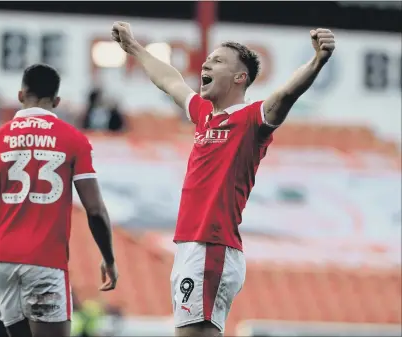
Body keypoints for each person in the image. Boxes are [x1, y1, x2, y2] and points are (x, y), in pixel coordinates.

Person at [112, 22, 335, 337]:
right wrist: (133, 47)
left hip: (211, 245)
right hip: (194, 246)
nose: (206, 63)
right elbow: (169, 80)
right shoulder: (204, 115)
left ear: (239, 77)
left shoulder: (251, 119)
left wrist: (317, 61)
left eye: (217, 61)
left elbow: (286, 94)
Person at [0, 63, 118, 337]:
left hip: (5, 265)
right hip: (46, 264)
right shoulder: (73, 140)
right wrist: (108, 258)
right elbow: (95, 210)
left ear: (20, 95)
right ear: (57, 100)